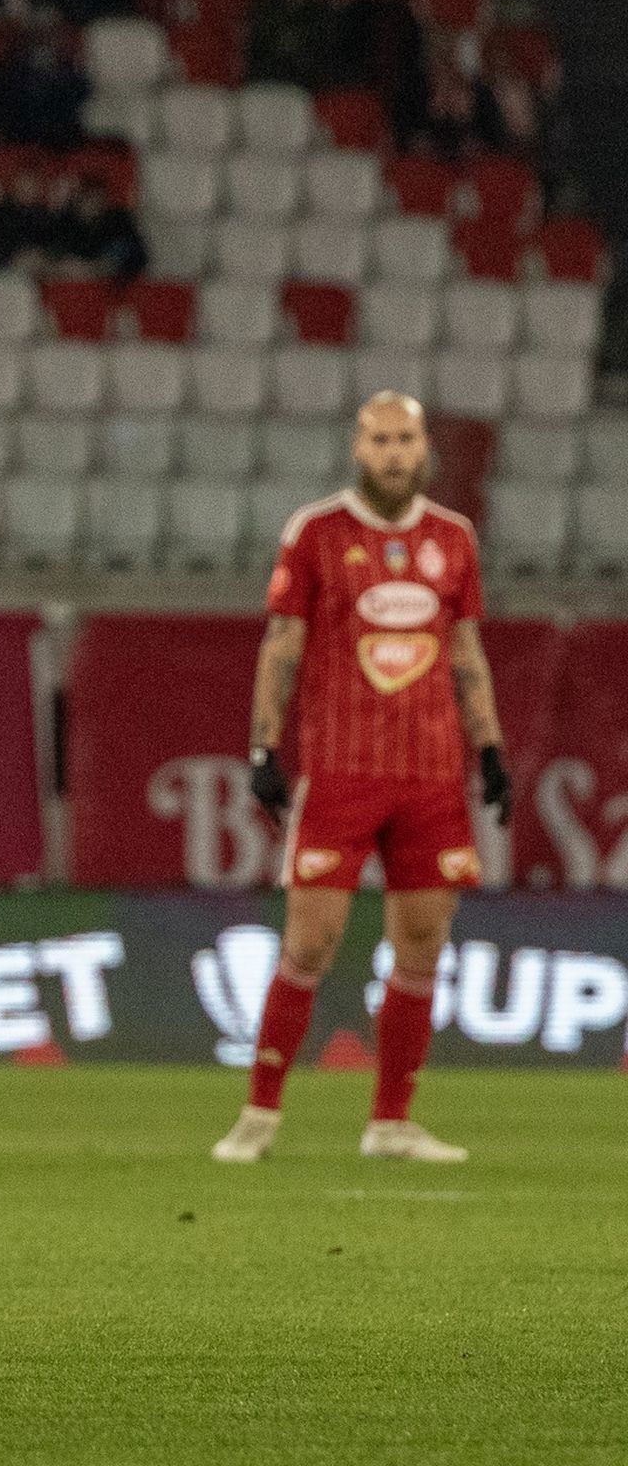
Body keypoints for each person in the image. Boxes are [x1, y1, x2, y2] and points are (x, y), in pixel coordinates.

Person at [212, 392, 509, 1168]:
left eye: (405, 439)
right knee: (310, 942)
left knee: (422, 947)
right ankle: (259, 1113)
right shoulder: (315, 532)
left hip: (431, 774)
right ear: (358, 447)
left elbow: (466, 651)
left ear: (424, 447)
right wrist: (263, 748)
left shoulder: (454, 537)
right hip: (342, 770)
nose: (394, 453)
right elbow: (282, 643)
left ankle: (391, 1123)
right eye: (380, 439)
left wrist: (490, 747)